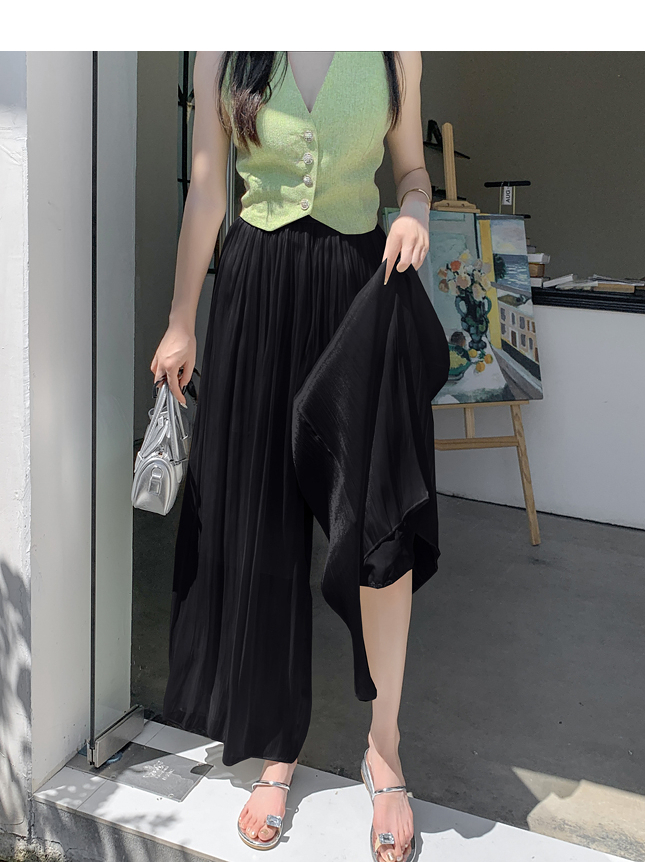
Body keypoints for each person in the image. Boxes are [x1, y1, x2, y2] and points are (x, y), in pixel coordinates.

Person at [151, 51, 440, 862]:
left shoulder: (395, 43)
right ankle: (278, 743)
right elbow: (208, 190)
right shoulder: (225, 42)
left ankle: (384, 748)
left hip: (361, 291)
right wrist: (182, 318)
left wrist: (415, 211)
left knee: (380, 528)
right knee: (265, 528)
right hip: (258, 291)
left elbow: (412, 171)